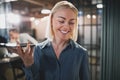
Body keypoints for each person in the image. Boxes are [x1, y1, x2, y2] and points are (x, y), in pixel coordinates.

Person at [15, 1, 89, 80]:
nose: (66, 27)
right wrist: (29, 65)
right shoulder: (39, 50)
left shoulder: (81, 53)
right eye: (61, 21)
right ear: (51, 21)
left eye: (71, 22)